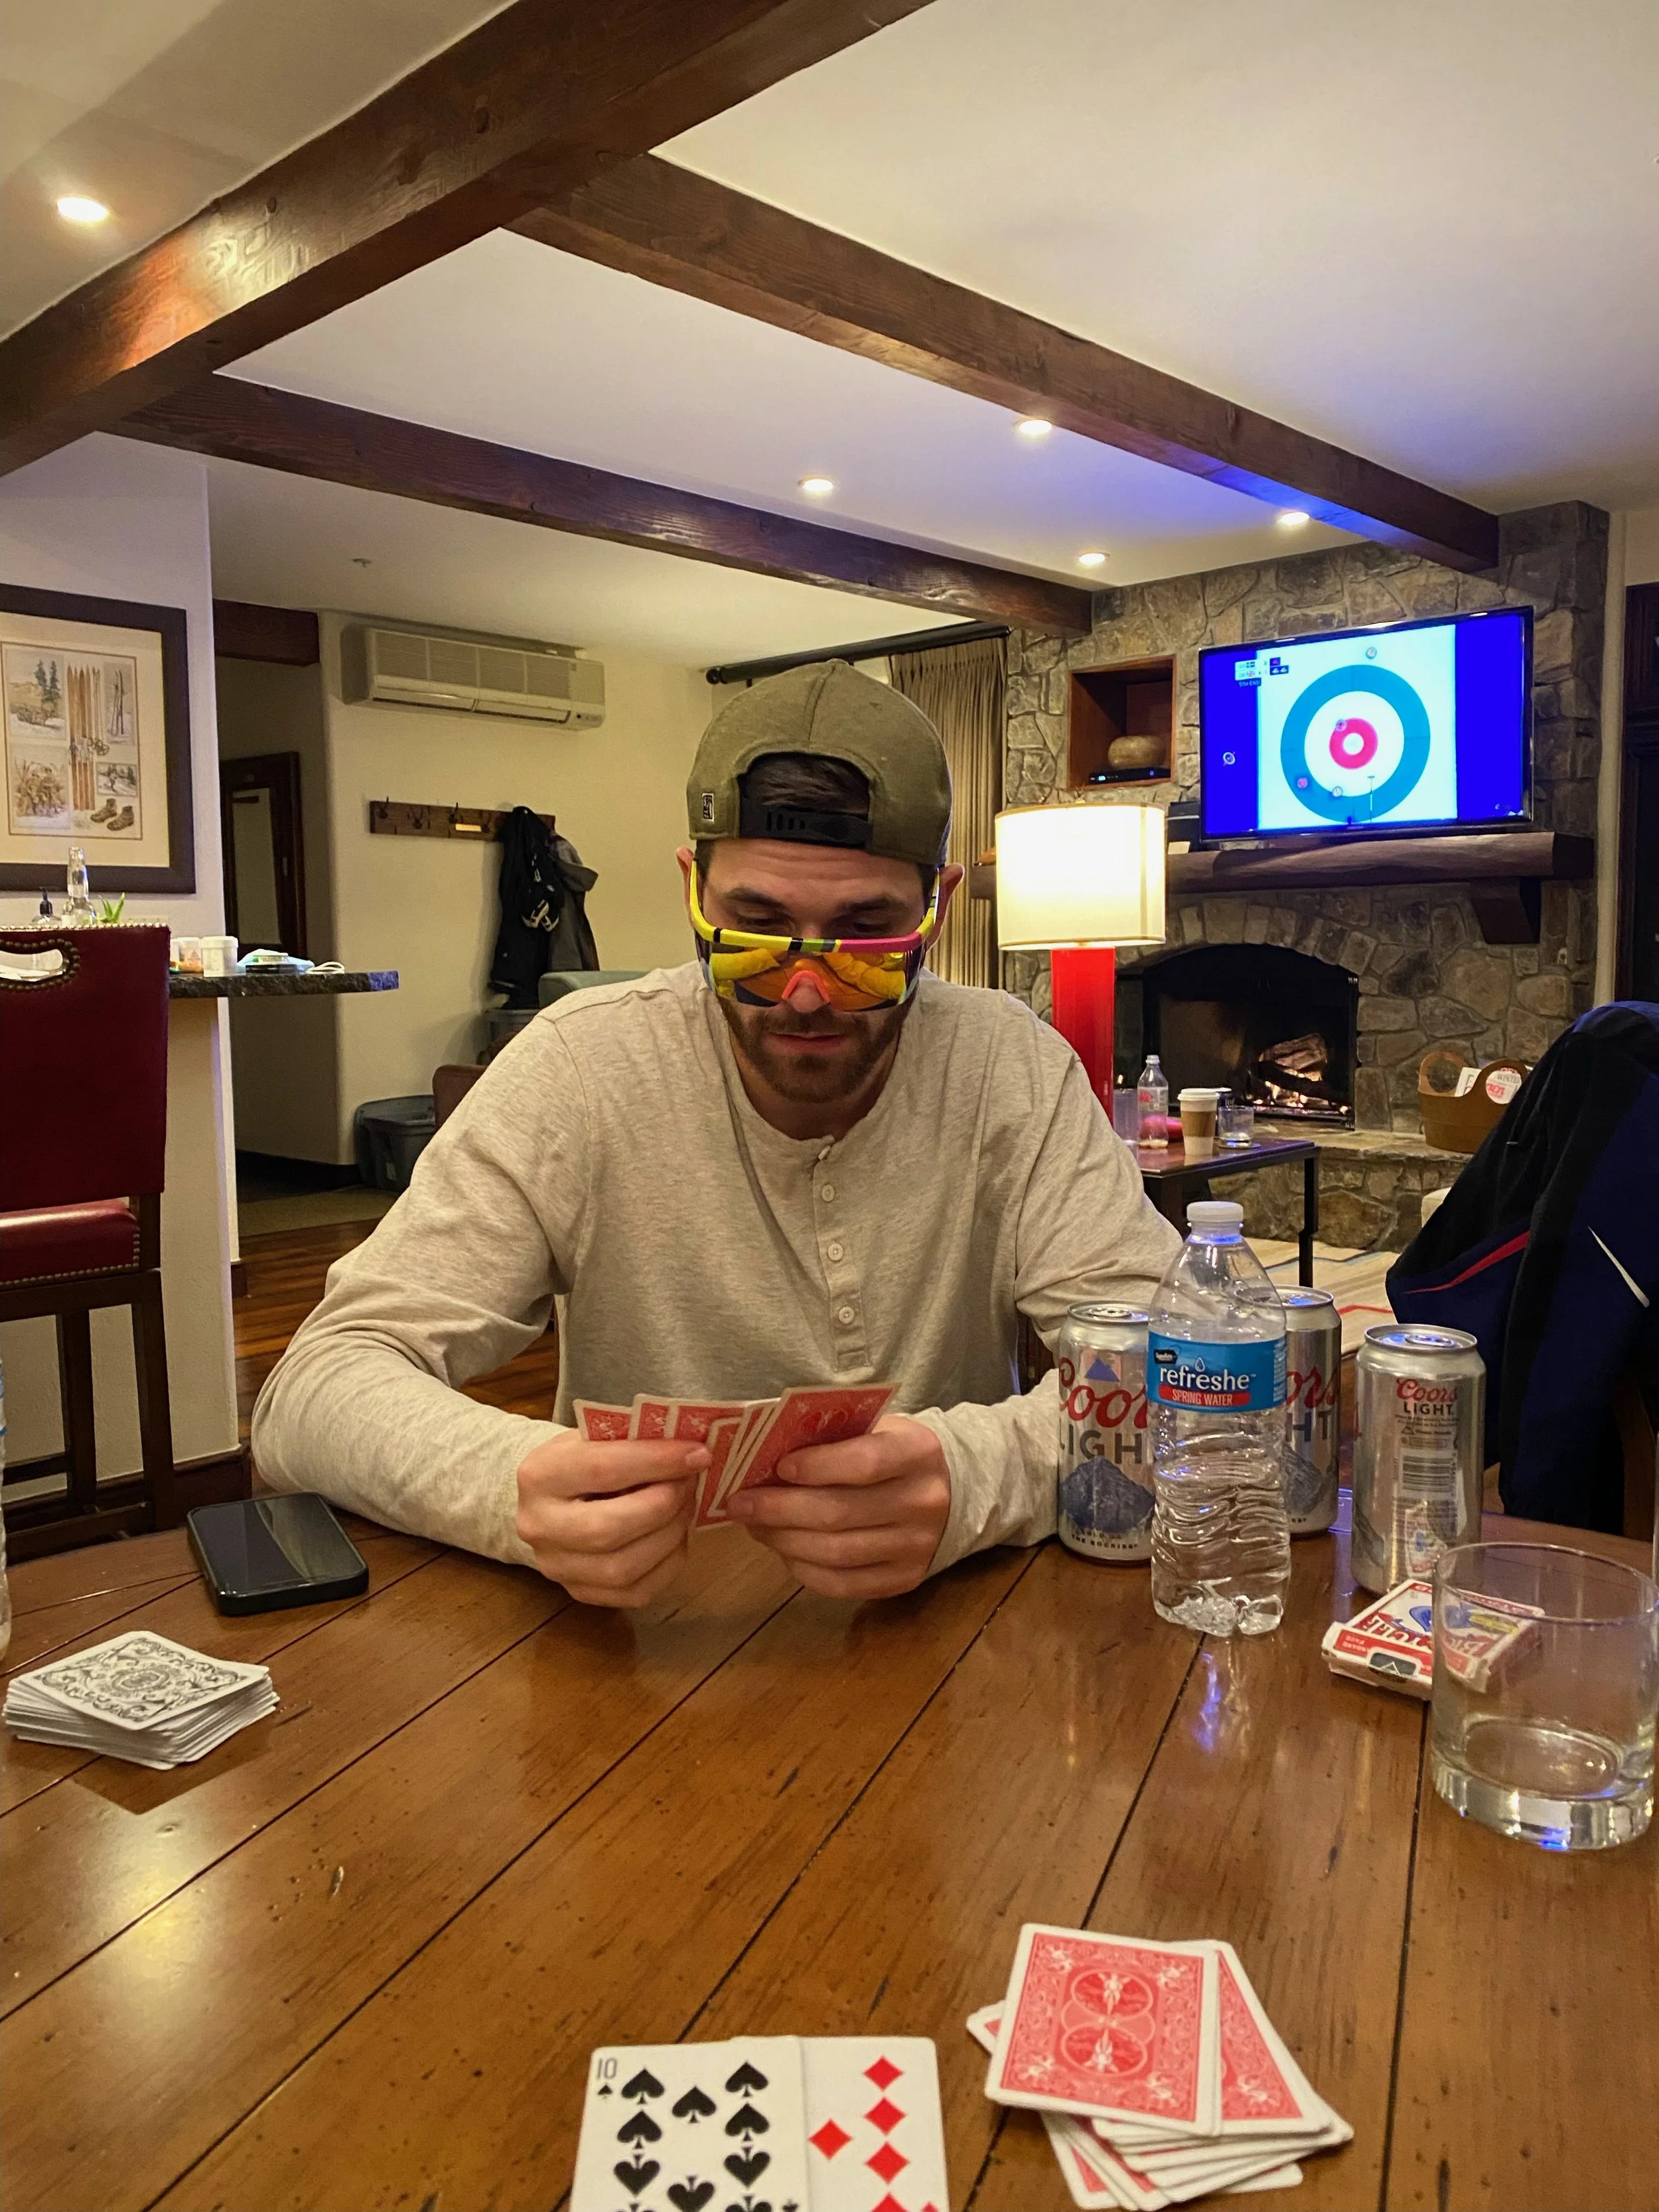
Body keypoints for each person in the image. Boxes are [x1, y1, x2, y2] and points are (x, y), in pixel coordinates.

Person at [253, 659, 1180, 1607]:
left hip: (949, 1624)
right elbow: (313, 1393)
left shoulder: (1010, 1067)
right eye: (754, 927)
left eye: (866, 933)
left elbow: (1189, 1371)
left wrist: (980, 1477)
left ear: (937, 908)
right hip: (632, 1640)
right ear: (694, 890)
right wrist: (509, 1486)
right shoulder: (577, 1067)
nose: (806, 990)